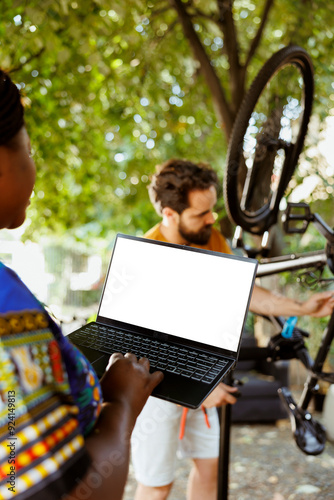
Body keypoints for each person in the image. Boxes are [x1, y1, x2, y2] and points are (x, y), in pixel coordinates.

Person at [0, 69, 163, 500]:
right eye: (29, 150)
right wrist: (121, 403)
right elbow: (79, 491)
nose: (33, 165)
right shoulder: (7, 313)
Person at [131, 158, 334, 500]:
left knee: (210, 470)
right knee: (157, 484)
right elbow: (143, 345)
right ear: (169, 213)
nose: (212, 220)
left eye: (212, 210)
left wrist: (302, 307)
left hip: (201, 376)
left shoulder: (211, 239)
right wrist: (194, 388)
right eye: (201, 214)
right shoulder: (146, 258)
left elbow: (244, 291)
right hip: (157, 387)